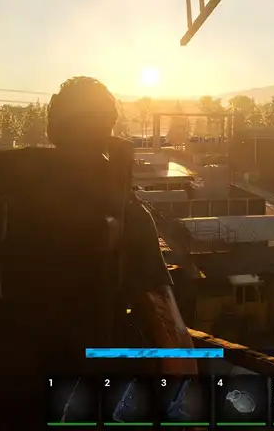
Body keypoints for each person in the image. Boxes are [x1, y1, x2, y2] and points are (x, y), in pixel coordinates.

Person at [47, 76, 198, 376]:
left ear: (52, 131)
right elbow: (171, 334)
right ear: (109, 128)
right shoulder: (124, 213)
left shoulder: (14, 198)